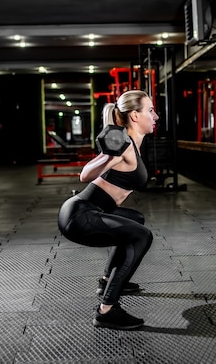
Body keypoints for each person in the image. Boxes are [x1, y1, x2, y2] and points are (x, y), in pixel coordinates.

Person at [57, 90, 159, 330]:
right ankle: (107, 310)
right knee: (142, 236)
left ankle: (106, 281)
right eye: (150, 110)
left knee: (136, 220)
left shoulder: (129, 143)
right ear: (135, 115)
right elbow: (85, 175)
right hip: (79, 216)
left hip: (88, 211)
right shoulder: (123, 146)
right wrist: (108, 157)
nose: (155, 116)